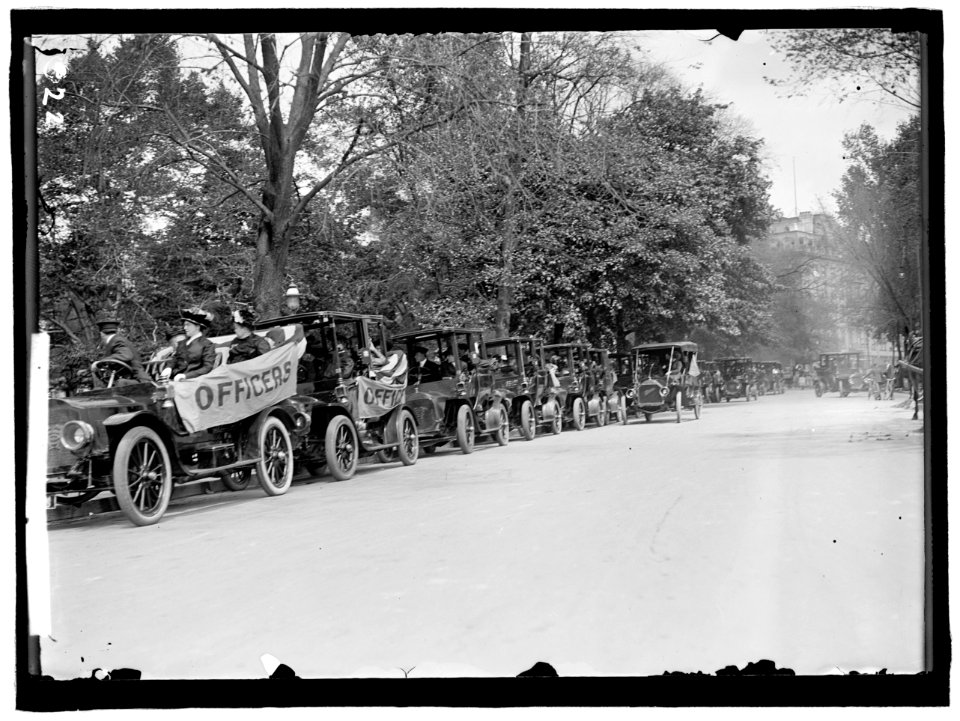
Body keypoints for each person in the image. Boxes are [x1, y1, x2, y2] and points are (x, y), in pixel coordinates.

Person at [93, 316, 151, 384]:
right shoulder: (117, 340)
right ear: (116, 331)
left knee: (120, 384)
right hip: (132, 378)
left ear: (101, 334)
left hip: (139, 380)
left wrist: (100, 362)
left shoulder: (117, 341)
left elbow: (126, 355)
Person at [164, 307, 217, 381]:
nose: (185, 328)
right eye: (184, 325)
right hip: (175, 379)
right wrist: (168, 368)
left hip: (193, 381)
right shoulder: (182, 343)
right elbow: (175, 358)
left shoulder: (207, 344)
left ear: (197, 327)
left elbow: (207, 367)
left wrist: (186, 376)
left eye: (188, 325)